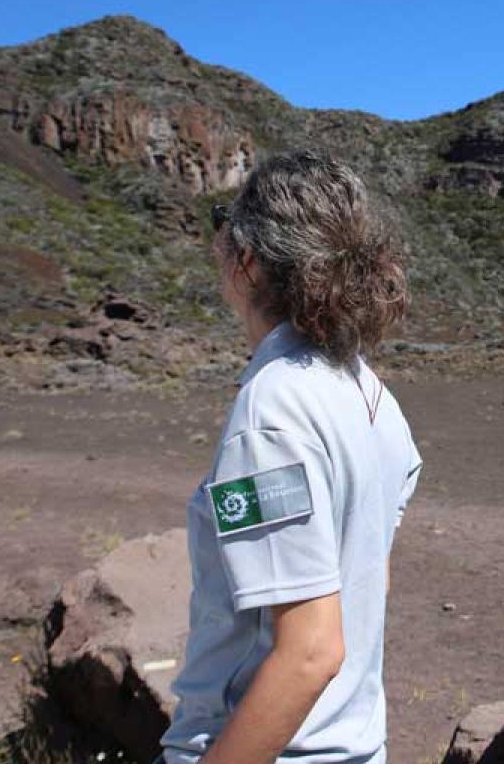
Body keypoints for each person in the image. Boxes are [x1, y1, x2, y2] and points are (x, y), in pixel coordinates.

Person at [158, 149, 423, 764]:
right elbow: (363, 576)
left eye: (223, 228)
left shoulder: (271, 412)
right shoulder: (371, 396)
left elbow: (310, 652)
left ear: (248, 262)